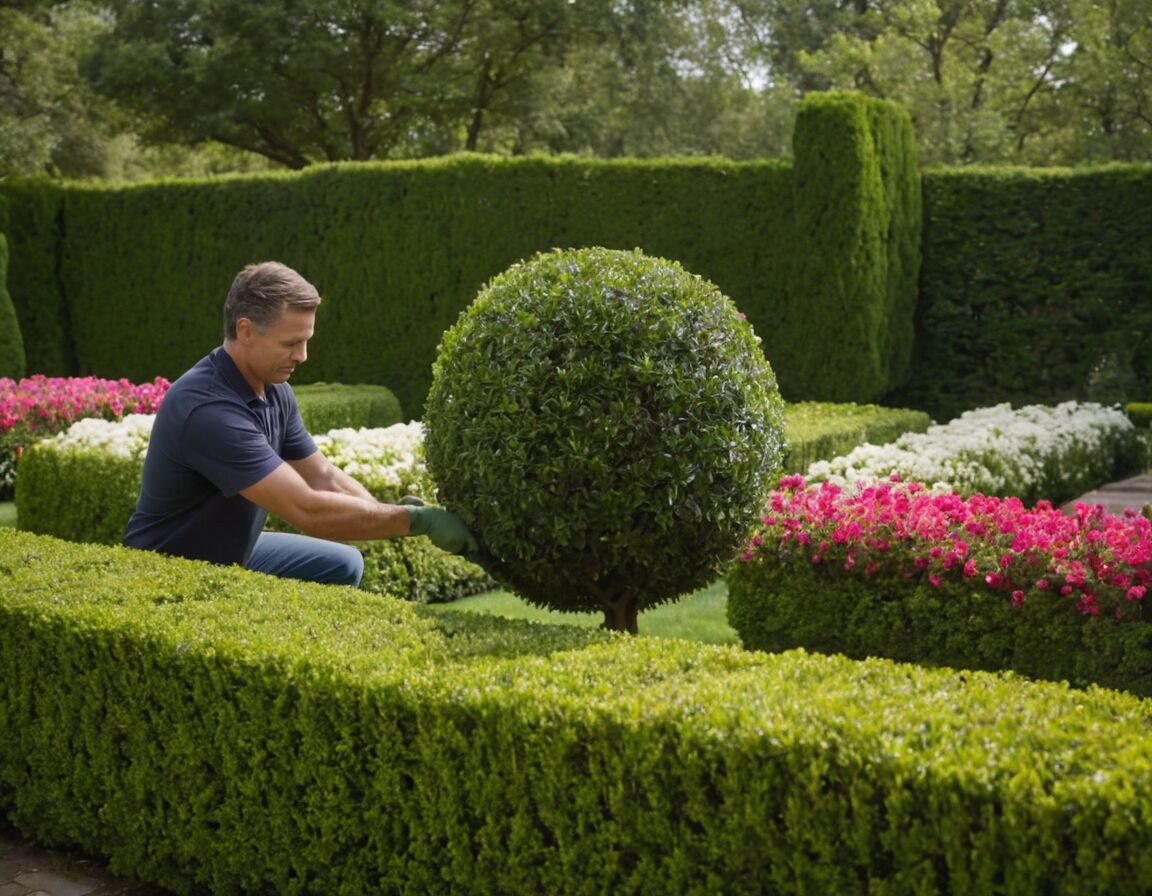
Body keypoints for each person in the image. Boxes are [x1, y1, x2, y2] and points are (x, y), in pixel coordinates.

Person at [124, 260, 477, 587]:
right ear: (245, 330)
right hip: (170, 570)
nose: (303, 356)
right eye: (291, 343)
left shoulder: (275, 392)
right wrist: (421, 522)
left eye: (306, 341)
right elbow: (307, 509)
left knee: (343, 564)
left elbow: (323, 477)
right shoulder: (209, 411)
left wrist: (396, 515)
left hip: (231, 552)